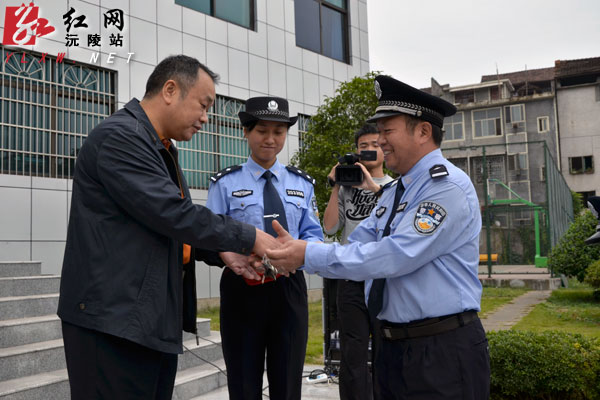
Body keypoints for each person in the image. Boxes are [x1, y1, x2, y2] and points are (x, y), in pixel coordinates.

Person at [57, 55, 281, 400]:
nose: (206, 118)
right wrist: (250, 237)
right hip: (112, 323)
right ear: (170, 90)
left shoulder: (159, 147)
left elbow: (163, 225)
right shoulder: (122, 138)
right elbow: (172, 213)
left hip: (144, 320)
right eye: (203, 105)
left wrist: (224, 254)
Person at [265, 75, 491, 400]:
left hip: (440, 351)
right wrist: (299, 251)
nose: (380, 142)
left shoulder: (446, 188)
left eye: (387, 131)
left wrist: (306, 255)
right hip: (393, 349)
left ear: (423, 131)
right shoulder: (396, 192)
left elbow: (393, 256)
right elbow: (357, 245)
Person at [205, 96, 324, 400]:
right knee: (244, 381)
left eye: (279, 132)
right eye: (262, 131)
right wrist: (234, 255)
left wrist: (298, 253)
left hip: (289, 288)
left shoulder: (302, 183)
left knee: (287, 382)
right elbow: (211, 236)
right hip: (243, 288)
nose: (270, 139)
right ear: (246, 131)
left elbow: (314, 235)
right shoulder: (225, 183)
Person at [322, 123, 392, 400]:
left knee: (387, 346)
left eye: (376, 145)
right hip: (351, 278)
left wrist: (372, 186)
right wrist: (336, 185)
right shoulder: (346, 187)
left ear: (384, 150)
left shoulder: (394, 186)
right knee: (353, 350)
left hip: (384, 278)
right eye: (364, 146)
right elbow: (329, 228)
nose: (370, 150)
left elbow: (395, 222)